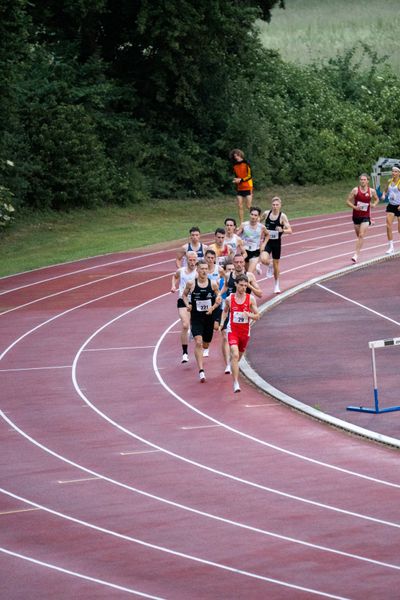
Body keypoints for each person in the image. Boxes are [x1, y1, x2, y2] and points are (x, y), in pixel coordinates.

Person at [182, 260, 221, 382]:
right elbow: (183, 295)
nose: (204, 271)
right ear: (197, 270)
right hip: (197, 318)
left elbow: (218, 298)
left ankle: (204, 348)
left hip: (209, 318)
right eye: (202, 269)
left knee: (205, 344)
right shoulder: (191, 284)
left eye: (206, 268)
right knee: (198, 342)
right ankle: (201, 371)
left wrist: (213, 308)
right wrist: (187, 304)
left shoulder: (213, 284)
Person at [219, 274, 259, 393]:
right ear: (236, 284)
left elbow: (257, 315)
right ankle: (236, 383)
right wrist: (222, 324)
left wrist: (250, 315)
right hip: (233, 331)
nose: (243, 288)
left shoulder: (250, 299)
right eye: (241, 285)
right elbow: (225, 312)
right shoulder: (229, 299)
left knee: (238, 356)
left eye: (245, 286)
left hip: (245, 332)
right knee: (235, 355)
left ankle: (233, 364)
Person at [260, 196, 292, 294]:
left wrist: (283, 230)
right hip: (267, 241)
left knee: (276, 264)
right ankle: (270, 265)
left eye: (277, 205)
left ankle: (277, 285)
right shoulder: (266, 213)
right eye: (273, 205)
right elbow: (258, 222)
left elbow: (290, 230)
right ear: (271, 205)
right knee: (263, 259)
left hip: (276, 243)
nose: (275, 207)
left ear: (280, 206)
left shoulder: (282, 216)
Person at [171, 251, 198, 363]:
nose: (192, 262)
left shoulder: (199, 272)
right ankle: (185, 353)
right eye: (190, 260)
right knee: (185, 325)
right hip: (183, 299)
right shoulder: (181, 271)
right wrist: (173, 285)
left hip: (196, 301)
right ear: (186, 260)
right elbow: (175, 276)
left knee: (196, 325)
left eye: (194, 260)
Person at [346, 173, 379, 263]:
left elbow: (377, 199)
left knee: (361, 235)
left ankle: (356, 255)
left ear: (368, 181)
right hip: (356, 216)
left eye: (364, 180)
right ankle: (370, 222)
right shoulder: (355, 190)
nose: (362, 181)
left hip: (365, 216)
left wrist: (374, 205)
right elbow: (348, 201)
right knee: (359, 236)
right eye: (361, 180)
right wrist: (355, 207)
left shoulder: (371, 191)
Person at [236, 206, 269, 274]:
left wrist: (264, 244)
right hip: (245, 251)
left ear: (258, 216)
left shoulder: (261, 227)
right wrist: (239, 242)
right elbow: (236, 236)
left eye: (255, 215)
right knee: (246, 272)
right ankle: (256, 267)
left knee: (249, 273)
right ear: (249, 214)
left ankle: (256, 265)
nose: (253, 217)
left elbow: (268, 235)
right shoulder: (244, 225)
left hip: (255, 252)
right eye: (252, 214)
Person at [229, 149, 254, 224]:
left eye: (237, 155)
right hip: (240, 188)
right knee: (240, 205)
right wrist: (236, 180)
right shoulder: (235, 166)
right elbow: (237, 176)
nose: (236, 157)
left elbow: (250, 176)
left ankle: (256, 219)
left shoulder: (247, 164)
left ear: (241, 155)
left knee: (248, 206)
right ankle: (241, 223)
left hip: (248, 186)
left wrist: (241, 180)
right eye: (235, 156)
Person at [384, 165, 400, 254]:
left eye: (395, 171)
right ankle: (391, 247)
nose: (393, 173)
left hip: (399, 206)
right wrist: (384, 194)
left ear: (399, 173)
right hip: (391, 206)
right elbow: (385, 190)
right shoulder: (389, 181)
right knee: (388, 225)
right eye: (393, 171)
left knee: (399, 229)